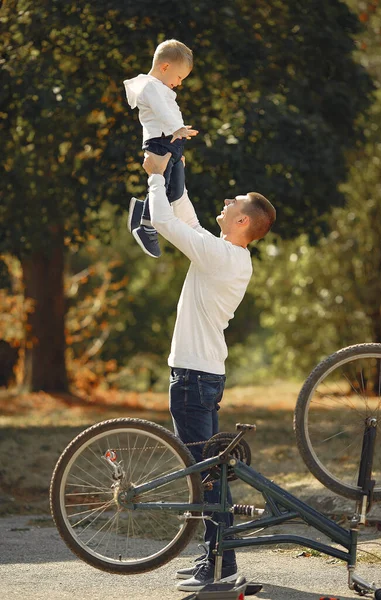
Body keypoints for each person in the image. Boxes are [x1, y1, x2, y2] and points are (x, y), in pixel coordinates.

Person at [142, 151, 276, 593]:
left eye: (233, 202)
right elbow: (187, 216)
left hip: (195, 379)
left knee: (205, 476)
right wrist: (175, 159)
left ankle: (221, 567)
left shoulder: (221, 257)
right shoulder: (226, 254)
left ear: (243, 221)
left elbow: (164, 221)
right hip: (201, 375)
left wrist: (156, 177)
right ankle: (213, 559)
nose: (226, 202)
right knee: (207, 473)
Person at [124, 39, 198, 258]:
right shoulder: (149, 86)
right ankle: (146, 225)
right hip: (160, 140)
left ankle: (140, 210)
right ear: (165, 67)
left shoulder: (161, 88)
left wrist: (180, 131)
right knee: (162, 183)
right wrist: (177, 128)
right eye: (179, 77)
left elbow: (170, 113)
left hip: (173, 140)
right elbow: (161, 112)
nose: (180, 83)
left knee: (175, 190)